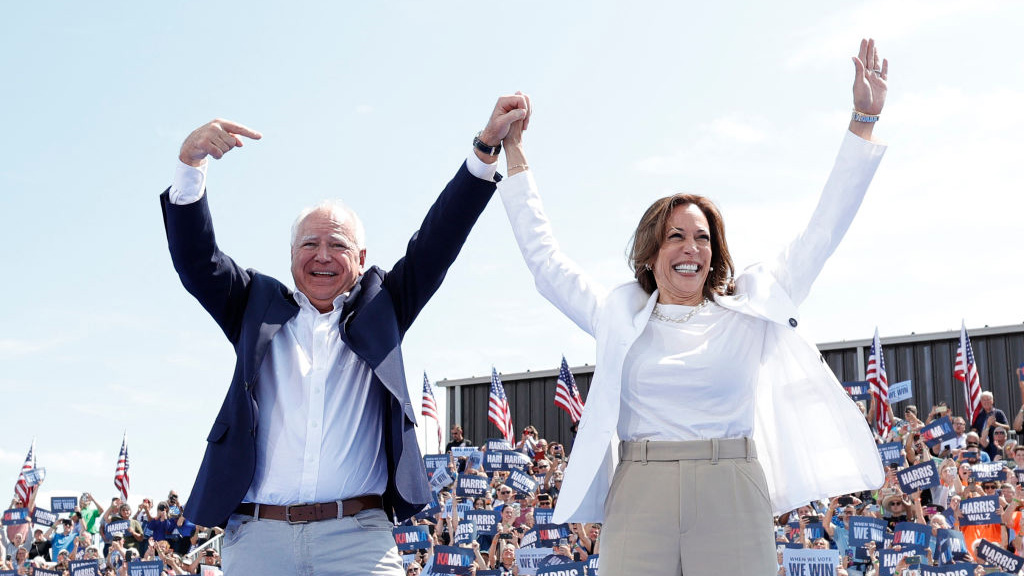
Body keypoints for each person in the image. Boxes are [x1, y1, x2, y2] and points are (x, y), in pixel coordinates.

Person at [494, 38, 888, 575]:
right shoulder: (617, 313)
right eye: (675, 236)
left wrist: (863, 120)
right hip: (639, 491)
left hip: (732, 487)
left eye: (702, 238)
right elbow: (546, 260)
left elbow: (822, 231)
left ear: (715, 251)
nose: (690, 248)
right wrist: (513, 151)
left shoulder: (748, 309)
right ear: (651, 251)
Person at [159, 94, 530, 576]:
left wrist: (484, 149)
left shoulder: (384, 307)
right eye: (309, 244)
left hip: (358, 540)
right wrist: (190, 165)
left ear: (360, 258)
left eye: (338, 244)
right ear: (291, 256)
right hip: (258, 538)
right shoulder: (252, 303)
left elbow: (437, 242)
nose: (322, 255)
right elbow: (196, 262)